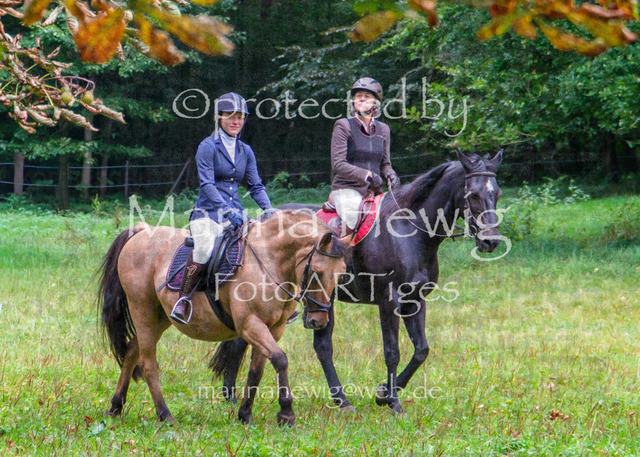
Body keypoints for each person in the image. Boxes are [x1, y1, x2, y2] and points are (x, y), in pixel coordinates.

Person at [171, 92, 274, 325]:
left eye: (240, 117)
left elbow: (256, 185)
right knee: (204, 248)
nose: (235, 121)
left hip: (236, 213)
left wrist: (268, 209)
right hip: (207, 213)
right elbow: (207, 185)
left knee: (262, 246)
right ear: (220, 117)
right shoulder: (207, 146)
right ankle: (183, 299)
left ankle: (268, 303)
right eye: (230, 116)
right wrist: (226, 211)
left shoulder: (245, 150)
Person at [329, 77, 400, 236]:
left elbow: (385, 164)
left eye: (366, 96)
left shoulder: (384, 129)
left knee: (396, 219)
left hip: (375, 191)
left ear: (375, 102)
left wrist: (391, 175)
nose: (361, 99)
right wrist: (368, 175)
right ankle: (343, 251)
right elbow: (338, 164)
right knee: (355, 220)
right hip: (346, 189)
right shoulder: (343, 125)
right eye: (358, 96)